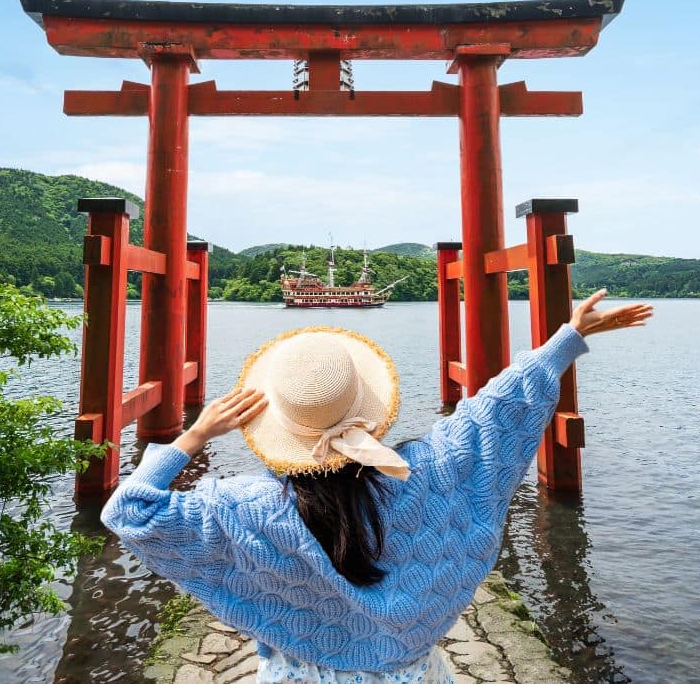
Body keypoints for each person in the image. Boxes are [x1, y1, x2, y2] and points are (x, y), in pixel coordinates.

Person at [102, 290, 652, 683]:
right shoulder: (426, 470)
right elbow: (496, 410)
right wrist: (568, 337)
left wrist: (194, 435)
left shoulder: (243, 510)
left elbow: (129, 511)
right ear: (368, 408)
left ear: (271, 425)